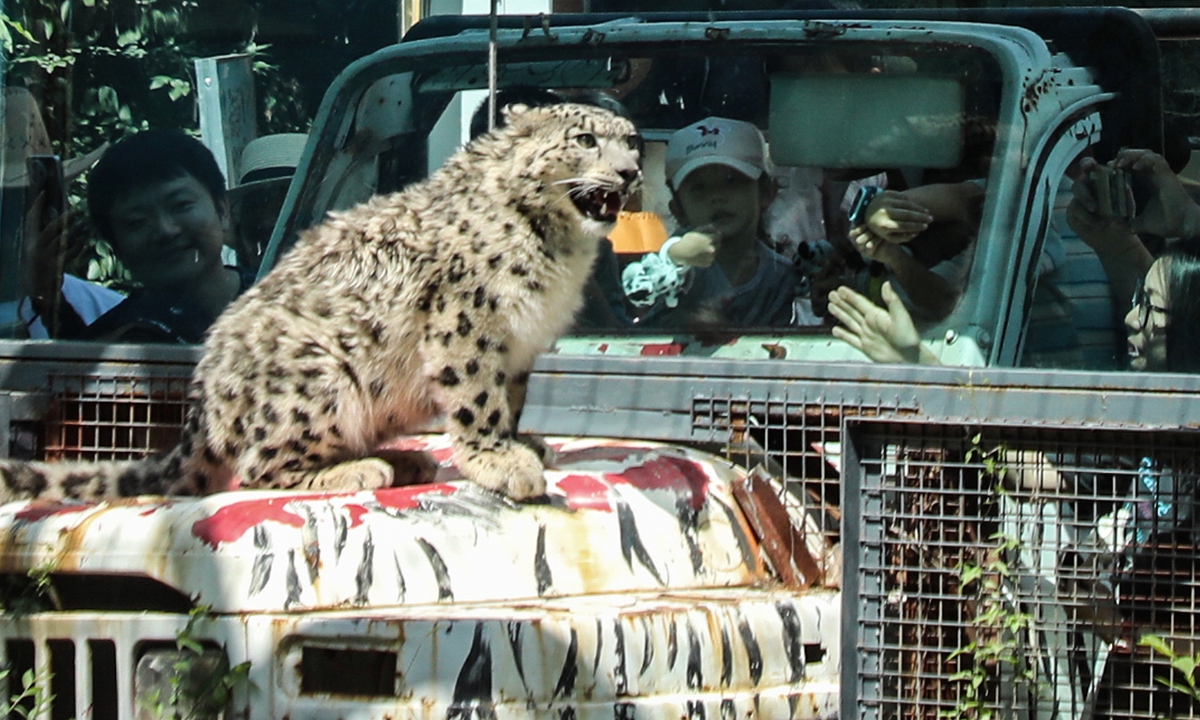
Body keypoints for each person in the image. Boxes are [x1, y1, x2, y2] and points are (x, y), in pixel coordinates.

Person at [620, 116, 797, 328]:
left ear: (765, 192)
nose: (717, 196)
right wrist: (674, 258)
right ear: (678, 210)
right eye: (699, 188)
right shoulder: (681, 260)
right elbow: (638, 288)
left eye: (732, 181)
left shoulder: (780, 275)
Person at [79, 129, 254, 343]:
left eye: (181, 205)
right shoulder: (109, 345)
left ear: (222, 210)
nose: (166, 230)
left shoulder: (283, 304)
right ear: (116, 246)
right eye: (137, 222)